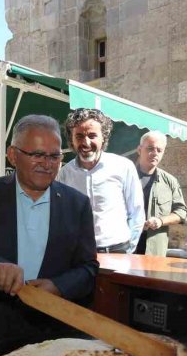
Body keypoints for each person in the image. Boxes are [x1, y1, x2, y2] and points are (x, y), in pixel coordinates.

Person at [0, 115, 98, 356]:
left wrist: (58, 287)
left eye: (54, 156)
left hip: (50, 334)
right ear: (13, 155)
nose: (47, 164)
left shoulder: (77, 204)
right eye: (37, 154)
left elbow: (88, 268)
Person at [57, 108, 144, 253]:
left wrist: (129, 250)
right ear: (71, 139)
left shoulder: (123, 167)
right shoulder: (65, 173)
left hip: (118, 251)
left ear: (103, 137)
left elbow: (136, 212)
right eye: (79, 136)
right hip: (79, 253)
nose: (86, 142)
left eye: (92, 136)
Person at [133, 131, 187, 256]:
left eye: (159, 150)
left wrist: (160, 221)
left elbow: (182, 212)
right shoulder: (125, 177)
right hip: (127, 246)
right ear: (139, 150)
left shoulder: (170, 181)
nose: (155, 153)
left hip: (155, 251)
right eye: (150, 148)